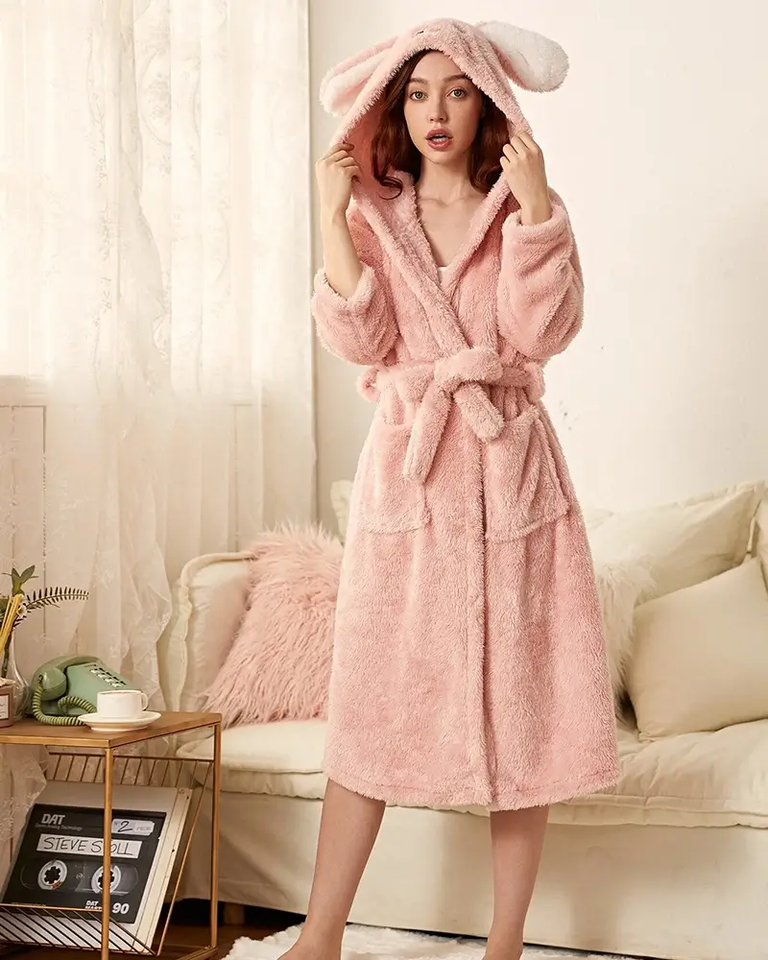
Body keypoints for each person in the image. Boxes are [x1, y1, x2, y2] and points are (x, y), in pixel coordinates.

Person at [283, 18, 619, 960]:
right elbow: (360, 340)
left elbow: (543, 334)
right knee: (369, 711)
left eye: (458, 91)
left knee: (525, 719)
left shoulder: (521, 211)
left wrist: (538, 207)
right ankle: (319, 937)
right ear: (394, 105)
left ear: (489, 103)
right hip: (412, 476)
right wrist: (328, 217)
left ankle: (505, 944)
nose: (437, 111)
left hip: (511, 476)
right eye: (419, 92)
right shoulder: (371, 216)